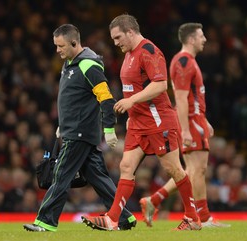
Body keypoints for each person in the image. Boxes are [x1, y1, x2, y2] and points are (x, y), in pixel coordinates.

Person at [81, 14, 201, 231]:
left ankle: (192, 217)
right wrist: (132, 115)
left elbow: (160, 85)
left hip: (159, 120)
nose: (115, 43)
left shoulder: (149, 52)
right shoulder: (128, 55)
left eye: (118, 37)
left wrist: (130, 102)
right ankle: (112, 219)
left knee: (173, 169)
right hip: (138, 123)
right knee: (126, 166)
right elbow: (134, 88)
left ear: (130, 31)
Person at [23, 24, 136, 232]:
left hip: (79, 132)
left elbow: (106, 98)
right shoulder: (70, 63)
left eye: (61, 46)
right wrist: (62, 125)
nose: (57, 50)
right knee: (98, 178)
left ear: (74, 43)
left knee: (61, 175)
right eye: (56, 46)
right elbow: (75, 99)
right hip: (75, 129)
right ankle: (123, 217)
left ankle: (45, 222)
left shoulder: (88, 65)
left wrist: (109, 129)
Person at [139, 23, 230, 228]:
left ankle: (154, 200)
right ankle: (203, 218)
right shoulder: (182, 61)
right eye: (201, 36)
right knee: (197, 170)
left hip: (195, 119)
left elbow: (192, 97)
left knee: (193, 169)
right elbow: (180, 99)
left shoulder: (189, 61)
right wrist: (187, 129)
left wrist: (203, 119)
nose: (204, 39)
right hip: (188, 121)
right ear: (191, 39)